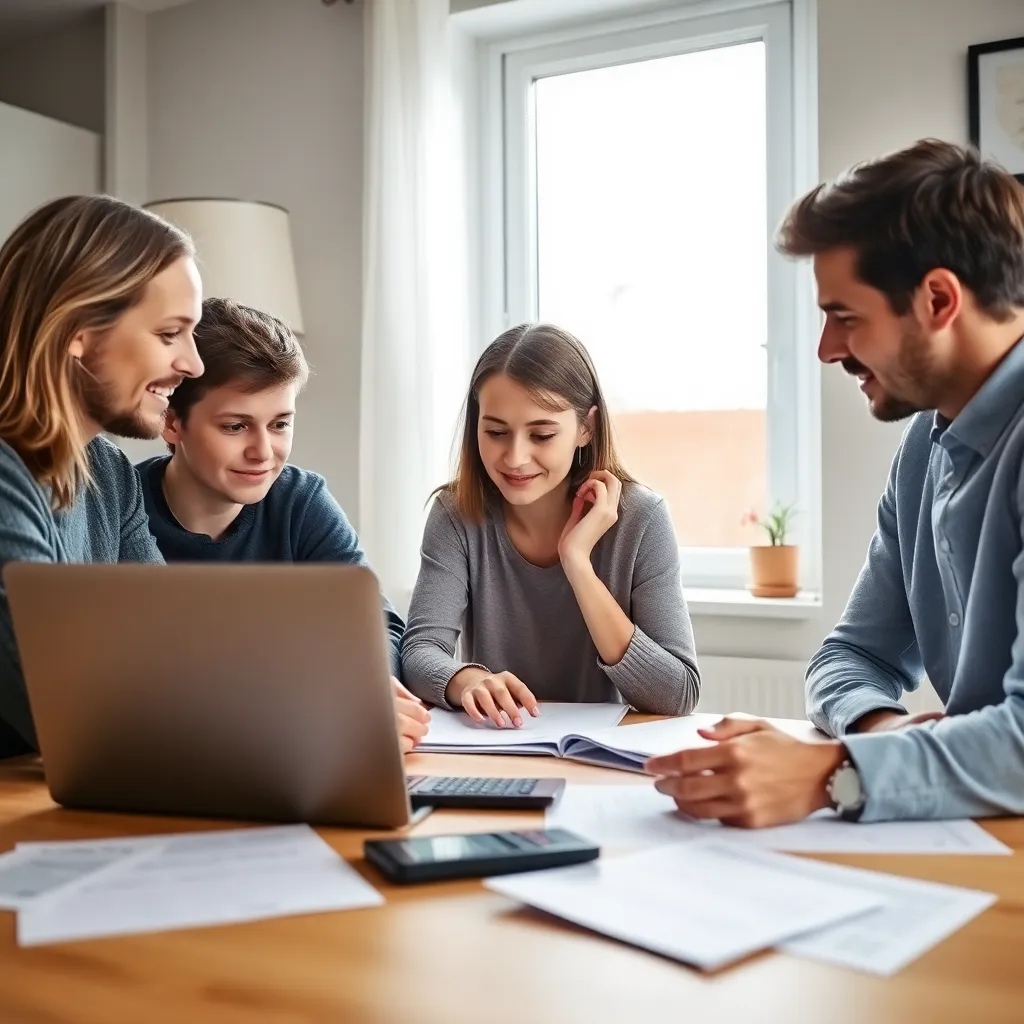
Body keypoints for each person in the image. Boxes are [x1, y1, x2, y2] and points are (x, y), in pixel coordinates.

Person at [645, 139, 1024, 826]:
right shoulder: (924, 449)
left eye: (845, 316)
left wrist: (833, 774)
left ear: (938, 299)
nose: (827, 349)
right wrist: (882, 734)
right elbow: (850, 657)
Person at [135, 297, 429, 752]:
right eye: (236, 427)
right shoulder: (122, 509)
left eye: (279, 424)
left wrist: (361, 692)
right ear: (172, 423)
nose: (263, 451)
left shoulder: (300, 501)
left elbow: (378, 625)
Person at [401, 322, 700, 726]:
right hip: (498, 748)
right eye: (495, 432)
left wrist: (577, 563)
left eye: (541, 435)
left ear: (585, 428)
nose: (515, 457)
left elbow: (677, 693)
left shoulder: (642, 519)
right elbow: (420, 652)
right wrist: (467, 679)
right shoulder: (456, 514)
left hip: (601, 756)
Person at [0, 195, 205, 756]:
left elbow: (175, 645)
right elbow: (64, 707)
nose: (194, 364)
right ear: (78, 330)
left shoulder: (109, 473)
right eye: (169, 334)